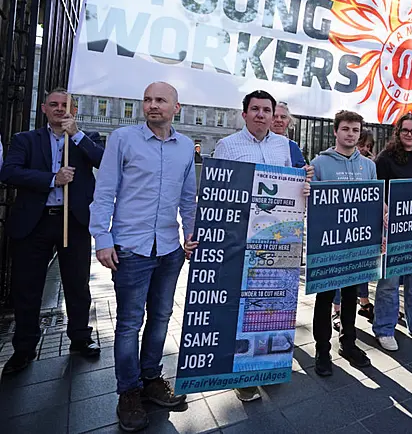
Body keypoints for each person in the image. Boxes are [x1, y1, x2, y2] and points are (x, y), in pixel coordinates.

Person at [90, 82, 198, 432]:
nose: (153, 105)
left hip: (169, 249)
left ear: (176, 107)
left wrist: (190, 235)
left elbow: (188, 198)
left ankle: (151, 379)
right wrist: (103, 239)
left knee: (162, 317)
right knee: (128, 324)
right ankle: (129, 393)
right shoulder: (123, 138)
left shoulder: (184, 147)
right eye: (148, 100)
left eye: (161, 100)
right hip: (131, 249)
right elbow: (104, 191)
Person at [215, 90, 312, 403]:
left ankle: (267, 367)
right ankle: (242, 374)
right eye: (254, 109)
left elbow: (295, 190)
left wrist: (304, 185)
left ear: (274, 116)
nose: (260, 115)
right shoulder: (227, 146)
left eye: (266, 110)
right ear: (244, 114)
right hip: (242, 238)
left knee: (272, 308)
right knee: (243, 307)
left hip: (278, 239)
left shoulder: (285, 147)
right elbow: (218, 191)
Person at [0, 88, 104, 375]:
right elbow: (9, 172)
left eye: (66, 105)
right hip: (36, 222)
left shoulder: (86, 140)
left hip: (74, 222)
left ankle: (81, 337)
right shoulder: (25, 140)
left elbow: (103, 162)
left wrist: (78, 136)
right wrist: (51, 179)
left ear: (75, 110)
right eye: (55, 104)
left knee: (77, 284)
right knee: (27, 287)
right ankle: (24, 348)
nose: (60, 109)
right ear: (44, 108)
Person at [311, 110, 374, 376]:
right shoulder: (319, 164)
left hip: (357, 245)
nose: (350, 134)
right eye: (346, 129)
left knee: (350, 296)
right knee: (325, 298)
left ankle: (348, 343)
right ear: (336, 131)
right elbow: (311, 204)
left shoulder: (369, 166)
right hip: (328, 245)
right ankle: (322, 350)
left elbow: (373, 202)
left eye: (355, 130)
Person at [373, 113, 412, 351]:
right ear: (397, 133)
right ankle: (385, 329)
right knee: (389, 282)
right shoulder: (385, 158)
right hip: (393, 229)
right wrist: (383, 206)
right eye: (405, 130)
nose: (410, 134)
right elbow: (375, 190)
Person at [271, 101, 307, 168]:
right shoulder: (259, 142)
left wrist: (306, 171)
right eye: (274, 116)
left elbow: (302, 171)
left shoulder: (293, 147)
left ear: (289, 121)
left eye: (283, 117)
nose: (279, 120)